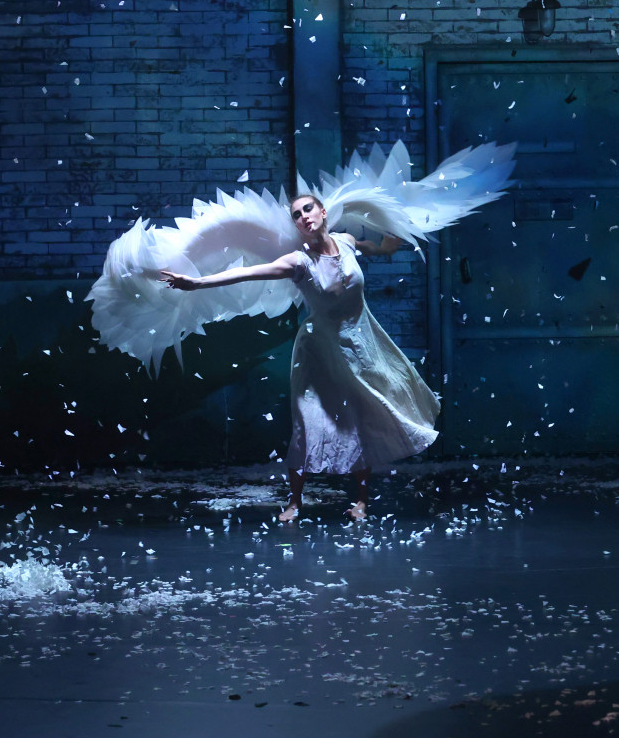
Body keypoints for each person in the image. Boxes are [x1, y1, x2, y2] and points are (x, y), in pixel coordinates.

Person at [160, 193, 440, 523]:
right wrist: (196, 283)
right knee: (307, 422)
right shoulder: (298, 262)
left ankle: (361, 502)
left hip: (359, 344)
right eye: (297, 215)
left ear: (323, 212)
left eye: (308, 209)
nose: (304, 216)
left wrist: (385, 248)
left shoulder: (346, 241)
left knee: (360, 419)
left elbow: (368, 247)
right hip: (318, 350)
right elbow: (249, 273)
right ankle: (294, 502)